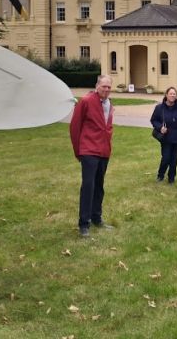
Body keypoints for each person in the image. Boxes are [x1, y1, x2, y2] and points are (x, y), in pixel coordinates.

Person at [69, 75, 115, 238]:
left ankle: (96, 217)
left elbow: (106, 127)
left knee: (99, 185)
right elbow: (75, 127)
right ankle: (84, 223)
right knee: (88, 186)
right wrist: (78, 150)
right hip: (88, 150)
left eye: (109, 87)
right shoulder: (86, 101)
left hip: (103, 151)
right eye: (104, 86)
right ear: (97, 86)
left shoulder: (109, 103)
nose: (106, 89)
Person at [151, 86, 177, 183]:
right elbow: (153, 120)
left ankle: (171, 177)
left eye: (174, 94)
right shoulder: (159, 108)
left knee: (174, 159)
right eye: (170, 93)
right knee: (166, 158)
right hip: (166, 138)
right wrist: (160, 127)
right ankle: (160, 175)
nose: (172, 95)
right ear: (166, 95)